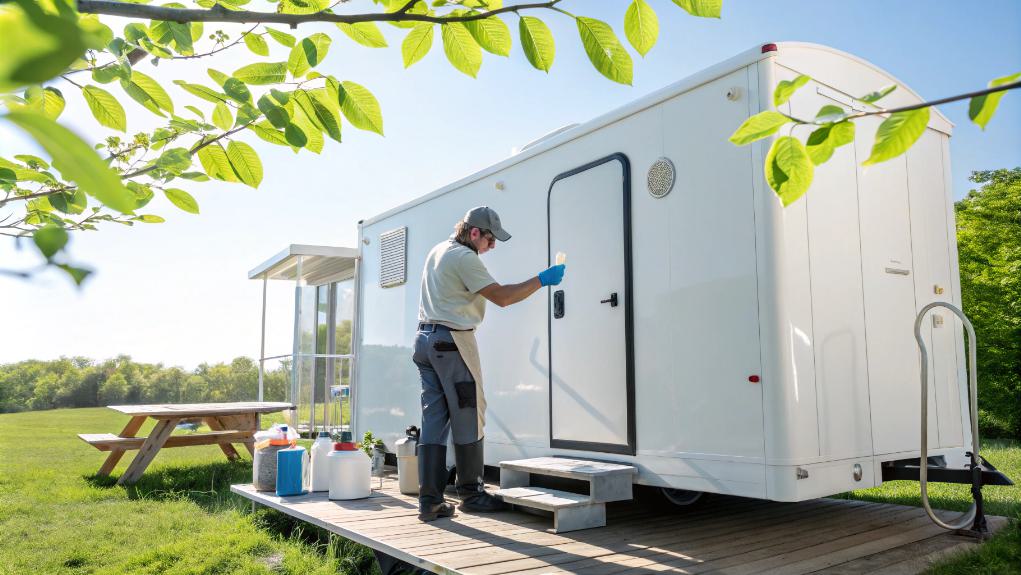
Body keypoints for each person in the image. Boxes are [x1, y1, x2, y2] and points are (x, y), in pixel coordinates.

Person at [413, 206, 565, 522]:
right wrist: (541, 279)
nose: (492, 246)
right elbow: (503, 297)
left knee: (434, 421)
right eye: (490, 239)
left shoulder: (438, 250)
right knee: (469, 412)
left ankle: (429, 502)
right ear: (474, 233)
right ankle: (471, 493)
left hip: (425, 341)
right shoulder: (464, 257)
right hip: (452, 341)